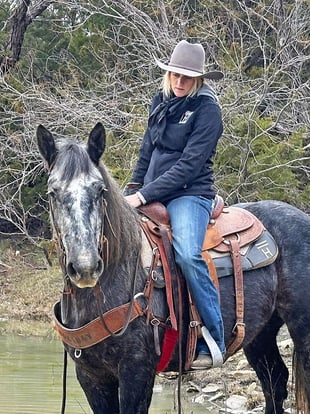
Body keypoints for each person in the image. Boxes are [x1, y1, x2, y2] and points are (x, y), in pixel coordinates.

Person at [124, 40, 225, 370]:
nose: (179, 82)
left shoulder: (207, 110)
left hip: (189, 193)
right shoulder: (161, 101)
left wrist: (144, 195)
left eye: (187, 77)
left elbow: (190, 165)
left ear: (198, 79)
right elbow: (146, 153)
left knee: (186, 254)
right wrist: (132, 190)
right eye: (175, 75)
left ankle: (214, 337)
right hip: (152, 190)